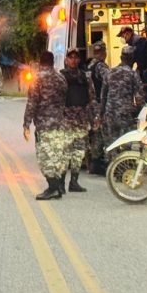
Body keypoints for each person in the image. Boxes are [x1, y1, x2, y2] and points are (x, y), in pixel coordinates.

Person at [23, 51, 69, 200]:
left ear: (40, 62)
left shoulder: (37, 79)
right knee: (57, 155)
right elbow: (65, 99)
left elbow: (32, 103)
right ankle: (58, 185)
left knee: (45, 157)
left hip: (44, 125)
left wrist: (26, 124)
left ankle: (53, 188)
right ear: (52, 62)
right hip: (60, 123)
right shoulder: (61, 78)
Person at [60, 47, 97, 193]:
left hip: (81, 119)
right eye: (71, 57)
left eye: (76, 57)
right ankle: (61, 183)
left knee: (79, 152)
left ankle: (74, 182)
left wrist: (94, 117)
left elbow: (92, 97)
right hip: (66, 120)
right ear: (66, 60)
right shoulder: (61, 77)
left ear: (79, 59)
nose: (73, 60)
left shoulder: (85, 77)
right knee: (64, 152)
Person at [101, 45, 145, 160]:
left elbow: (103, 96)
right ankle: (124, 167)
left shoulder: (110, 72)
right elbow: (139, 97)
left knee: (112, 143)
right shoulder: (133, 74)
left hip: (110, 113)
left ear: (121, 57)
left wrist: (102, 113)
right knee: (125, 142)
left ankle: (112, 167)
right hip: (125, 114)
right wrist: (141, 111)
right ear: (132, 59)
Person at [87, 41, 111, 175]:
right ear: (104, 52)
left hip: (91, 104)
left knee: (95, 132)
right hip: (99, 104)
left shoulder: (90, 65)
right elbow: (110, 79)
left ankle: (94, 161)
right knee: (103, 132)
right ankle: (99, 162)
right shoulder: (101, 66)